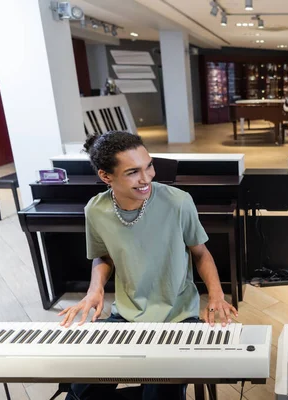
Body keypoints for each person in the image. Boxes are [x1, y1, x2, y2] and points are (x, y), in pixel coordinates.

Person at [60, 131, 237, 400]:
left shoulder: (178, 201)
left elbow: (200, 253)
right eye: (133, 172)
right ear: (106, 176)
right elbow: (103, 255)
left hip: (177, 316)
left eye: (149, 166)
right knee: (81, 391)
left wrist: (215, 294)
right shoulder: (96, 209)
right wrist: (94, 291)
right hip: (126, 315)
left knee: (158, 393)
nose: (147, 178)